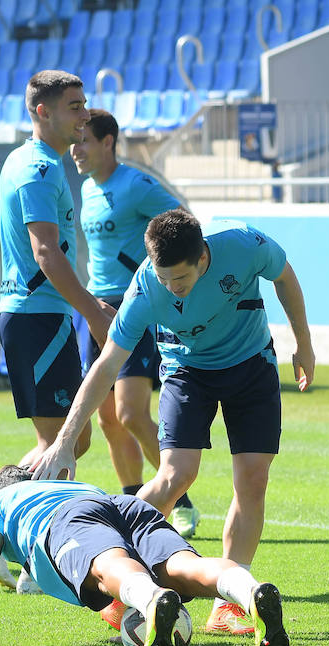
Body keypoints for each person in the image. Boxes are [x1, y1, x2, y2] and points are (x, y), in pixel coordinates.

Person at [29, 208, 315, 641]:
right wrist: (65, 442)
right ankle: (125, 589)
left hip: (251, 362)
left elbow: (286, 276)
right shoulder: (146, 287)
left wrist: (304, 343)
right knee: (176, 475)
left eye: (178, 279)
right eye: (163, 278)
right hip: (186, 371)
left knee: (253, 479)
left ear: (203, 259)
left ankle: (226, 604)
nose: (171, 289)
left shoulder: (244, 244)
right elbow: (106, 366)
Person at [0, 465, 288, 646]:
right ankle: (251, 591)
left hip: (66, 519)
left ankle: (150, 600)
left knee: (108, 564)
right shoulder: (61, 485)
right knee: (184, 566)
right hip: (122, 503)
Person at [71, 109, 201, 538]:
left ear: (109, 142)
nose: (76, 149)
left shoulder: (137, 184)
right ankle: (132, 501)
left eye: (84, 140)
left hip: (135, 305)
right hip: (96, 303)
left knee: (130, 412)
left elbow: (182, 226)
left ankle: (177, 495)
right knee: (107, 418)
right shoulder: (87, 188)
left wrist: (147, 269)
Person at [0, 70, 116, 472]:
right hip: (37, 318)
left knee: (73, 439)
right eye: (75, 107)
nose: (85, 115)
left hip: (42, 316)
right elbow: (45, 252)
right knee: (59, 443)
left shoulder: (31, 160)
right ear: (43, 112)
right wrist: (94, 313)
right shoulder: (39, 169)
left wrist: (89, 304)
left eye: (84, 104)